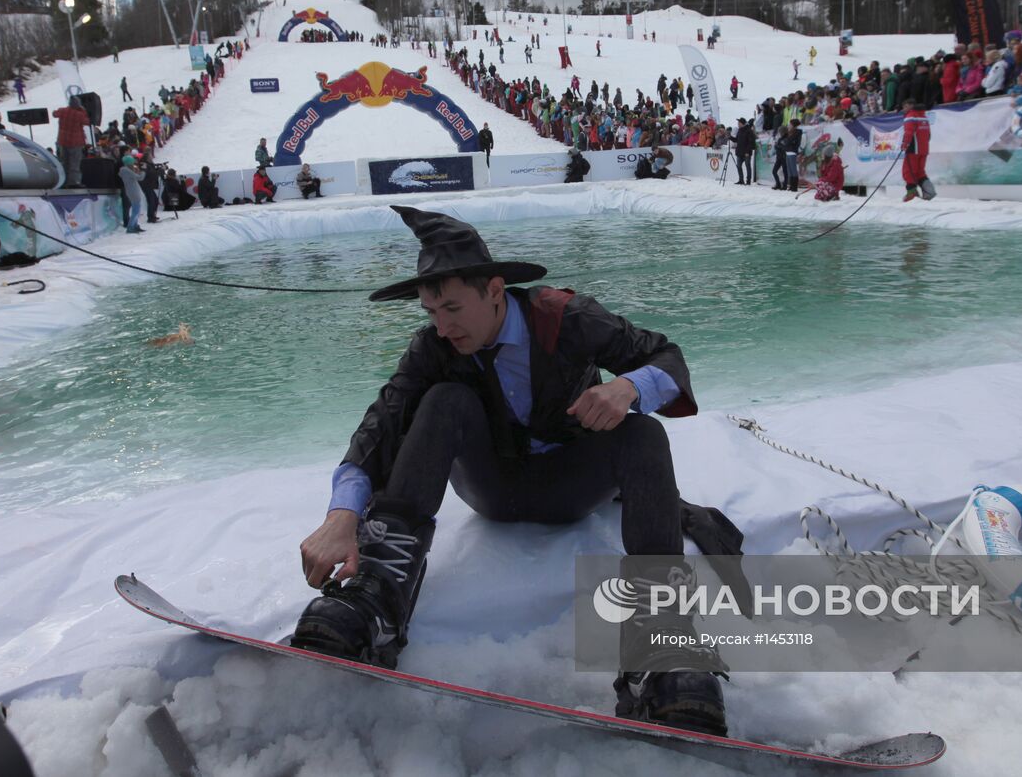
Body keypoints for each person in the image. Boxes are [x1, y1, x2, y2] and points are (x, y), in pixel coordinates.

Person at [292, 206, 731, 736]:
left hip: (573, 484)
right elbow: (381, 424)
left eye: (452, 307)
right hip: (493, 486)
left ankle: (661, 638)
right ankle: (378, 597)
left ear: (495, 290)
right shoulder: (434, 347)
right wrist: (343, 515)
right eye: (431, 311)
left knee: (643, 432)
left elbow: (664, 355)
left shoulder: (567, 318)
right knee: (444, 400)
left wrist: (628, 387)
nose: (442, 325)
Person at [53, 97, 90, 188]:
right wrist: (83, 111)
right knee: (74, 163)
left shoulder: (63, 111)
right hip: (75, 142)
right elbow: (87, 122)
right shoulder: (79, 114)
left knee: (65, 162)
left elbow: (54, 113)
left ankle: (63, 181)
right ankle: (74, 182)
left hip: (63, 141)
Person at [900, 101, 933, 202]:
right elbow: (929, 135)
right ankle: (929, 192)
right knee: (920, 172)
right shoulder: (923, 116)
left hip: (913, 149)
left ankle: (912, 193)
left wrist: (905, 144)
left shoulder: (911, 116)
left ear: (911, 106)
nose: (904, 109)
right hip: (924, 149)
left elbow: (909, 132)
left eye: (905, 106)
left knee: (908, 171)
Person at [119, 154, 146, 233]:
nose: (134, 164)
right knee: (135, 210)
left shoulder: (126, 170)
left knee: (136, 210)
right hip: (133, 192)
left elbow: (135, 177)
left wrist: (137, 171)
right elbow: (140, 178)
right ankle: (130, 227)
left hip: (133, 191)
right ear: (129, 163)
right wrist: (143, 171)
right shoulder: (125, 170)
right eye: (133, 163)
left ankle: (135, 225)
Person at [733, 117, 755, 185]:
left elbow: (751, 142)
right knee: (738, 166)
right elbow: (736, 140)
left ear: (742, 124)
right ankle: (741, 180)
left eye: (739, 123)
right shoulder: (739, 130)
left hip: (746, 153)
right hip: (739, 152)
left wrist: (747, 152)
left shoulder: (749, 131)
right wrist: (730, 137)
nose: (738, 124)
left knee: (747, 166)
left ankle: (748, 181)